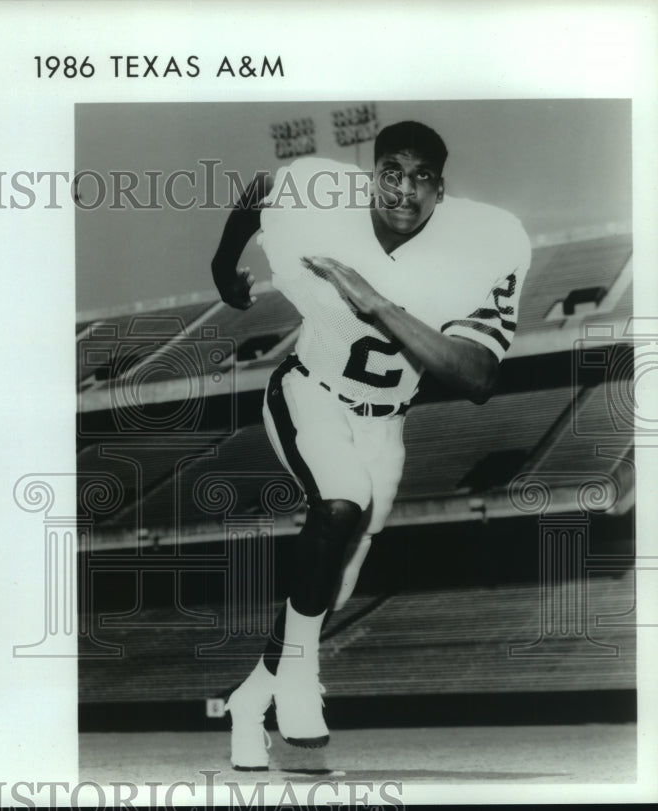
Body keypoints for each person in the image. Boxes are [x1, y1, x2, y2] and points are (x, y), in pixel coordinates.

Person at [210, 121, 530, 769]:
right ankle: (300, 678)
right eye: (392, 173)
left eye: (422, 178)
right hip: (308, 390)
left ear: (441, 189)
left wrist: (376, 302)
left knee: (332, 587)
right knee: (341, 498)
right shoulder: (322, 196)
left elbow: (477, 378)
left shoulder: (483, 244)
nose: (404, 190)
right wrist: (223, 267)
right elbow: (263, 188)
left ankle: (249, 700)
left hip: (386, 426)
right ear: (372, 175)